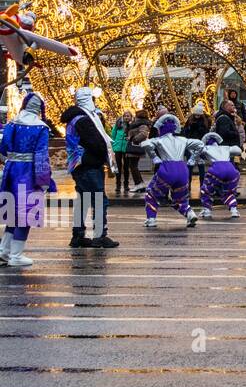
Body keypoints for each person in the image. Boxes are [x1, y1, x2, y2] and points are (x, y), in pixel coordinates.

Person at [0, 89, 55, 267]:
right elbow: (41, 155)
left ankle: (4, 251)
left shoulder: (12, 124)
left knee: (12, 213)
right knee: (27, 213)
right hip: (28, 173)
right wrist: (45, 180)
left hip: (11, 170)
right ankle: (16, 255)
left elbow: (3, 148)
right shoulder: (41, 127)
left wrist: (10, 159)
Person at [63, 88, 120, 248]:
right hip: (88, 165)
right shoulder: (84, 120)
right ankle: (99, 236)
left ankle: (78, 235)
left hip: (79, 165)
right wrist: (105, 155)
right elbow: (96, 143)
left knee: (83, 200)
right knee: (99, 199)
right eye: (93, 99)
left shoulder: (76, 118)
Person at [140, 113, 203, 229]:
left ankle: (151, 219)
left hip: (167, 169)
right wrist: (192, 159)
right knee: (180, 198)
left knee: (152, 194)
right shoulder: (182, 139)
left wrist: (155, 157)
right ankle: (190, 213)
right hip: (183, 170)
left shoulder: (159, 140)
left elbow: (145, 143)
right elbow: (200, 144)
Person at [197, 132, 243, 219]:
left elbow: (197, 151)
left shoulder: (206, 148)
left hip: (217, 169)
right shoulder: (225, 147)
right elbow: (238, 150)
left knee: (206, 189)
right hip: (231, 169)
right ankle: (234, 210)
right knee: (228, 191)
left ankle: (207, 210)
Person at [124, 109, 152, 194]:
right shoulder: (136, 124)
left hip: (135, 147)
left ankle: (138, 183)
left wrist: (134, 139)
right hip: (133, 147)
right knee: (133, 166)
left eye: (136, 115)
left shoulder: (142, 124)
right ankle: (140, 183)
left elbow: (143, 134)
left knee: (133, 166)